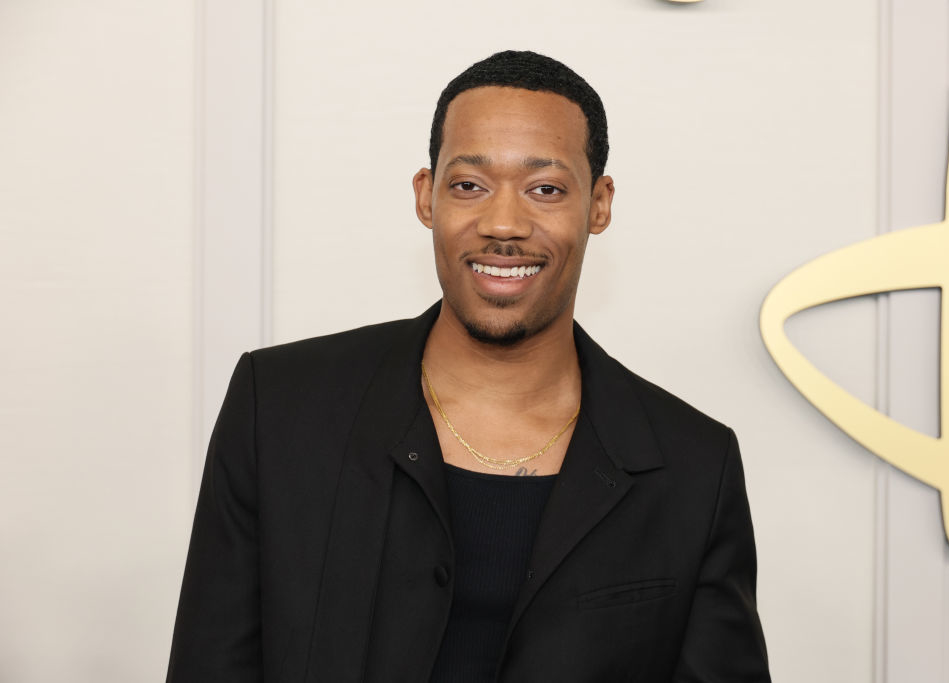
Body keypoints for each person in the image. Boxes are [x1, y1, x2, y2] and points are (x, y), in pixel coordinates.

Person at [167, 50, 770, 682]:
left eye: (546, 189)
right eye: (469, 186)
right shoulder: (281, 409)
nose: (503, 224)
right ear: (427, 197)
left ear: (599, 204)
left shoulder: (693, 466)